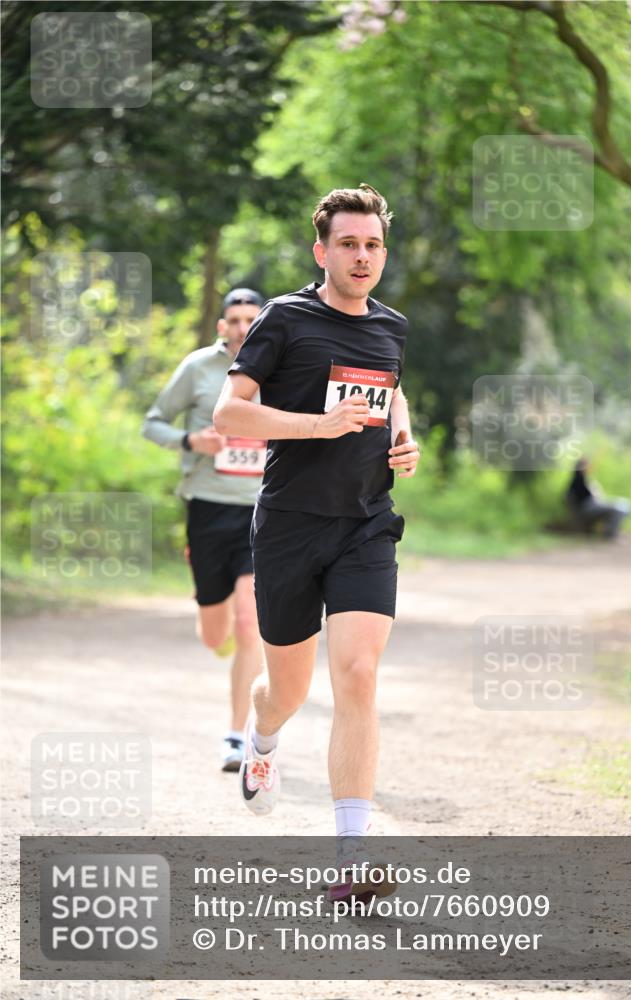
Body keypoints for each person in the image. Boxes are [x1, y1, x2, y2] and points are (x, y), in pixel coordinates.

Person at [213, 185, 420, 897]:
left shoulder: (391, 326)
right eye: (347, 244)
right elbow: (229, 413)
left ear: (382, 252)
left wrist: (403, 435)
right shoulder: (286, 319)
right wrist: (313, 428)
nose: (361, 256)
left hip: (366, 523)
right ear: (321, 250)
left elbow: (390, 389)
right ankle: (261, 738)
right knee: (288, 692)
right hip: (291, 527)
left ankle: (351, 859)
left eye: (371, 245)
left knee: (358, 674)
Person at [142, 288, 266, 772]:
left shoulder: (284, 365)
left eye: (251, 319)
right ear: (221, 327)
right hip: (208, 511)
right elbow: (152, 423)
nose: (241, 327)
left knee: (250, 621)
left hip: (262, 510)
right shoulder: (197, 368)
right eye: (233, 320)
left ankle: (238, 735)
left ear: (263, 322)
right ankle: (222, 637)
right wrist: (190, 440)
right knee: (216, 633)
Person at [565, 457, 631, 538]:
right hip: (588, 508)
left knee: (622, 504)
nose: (589, 468)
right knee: (618, 509)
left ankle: (609, 531)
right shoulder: (578, 480)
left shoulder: (584, 480)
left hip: (592, 506)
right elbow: (590, 497)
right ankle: (610, 533)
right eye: (587, 466)